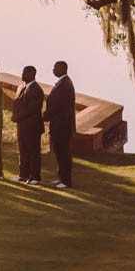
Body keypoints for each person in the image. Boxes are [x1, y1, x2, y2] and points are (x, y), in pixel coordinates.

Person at [12, 65, 47, 184]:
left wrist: (18, 116)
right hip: (22, 126)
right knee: (23, 151)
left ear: (32, 74)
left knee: (33, 152)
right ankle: (23, 174)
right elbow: (17, 103)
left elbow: (32, 109)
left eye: (25, 72)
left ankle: (35, 177)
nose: (22, 74)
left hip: (32, 127)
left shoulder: (36, 90)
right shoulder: (21, 88)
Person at [44, 60, 77, 189]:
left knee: (64, 153)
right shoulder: (62, 83)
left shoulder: (65, 84)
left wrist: (45, 116)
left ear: (62, 69)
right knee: (59, 152)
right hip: (58, 124)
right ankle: (61, 178)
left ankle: (66, 181)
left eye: (55, 68)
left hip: (63, 125)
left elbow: (57, 105)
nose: (53, 70)